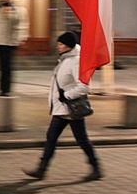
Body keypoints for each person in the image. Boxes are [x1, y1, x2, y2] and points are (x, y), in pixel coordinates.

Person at [24, 31, 102, 182]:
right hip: (62, 108)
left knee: (81, 139)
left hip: (71, 108)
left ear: (68, 45)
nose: (58, 46)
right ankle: (41, 170)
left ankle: (96, 168)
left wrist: (66, 96)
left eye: (60, 44)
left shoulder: (76, 61)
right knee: (51, 137)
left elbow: (84, 86)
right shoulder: (65, 59)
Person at [0, 0, 21, 97]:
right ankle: (1, 88)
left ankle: (6, 89)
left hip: (8, 42)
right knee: (1, 67)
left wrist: (9, 14)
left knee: (7, 67)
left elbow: (16, 21)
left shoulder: (14, 8)